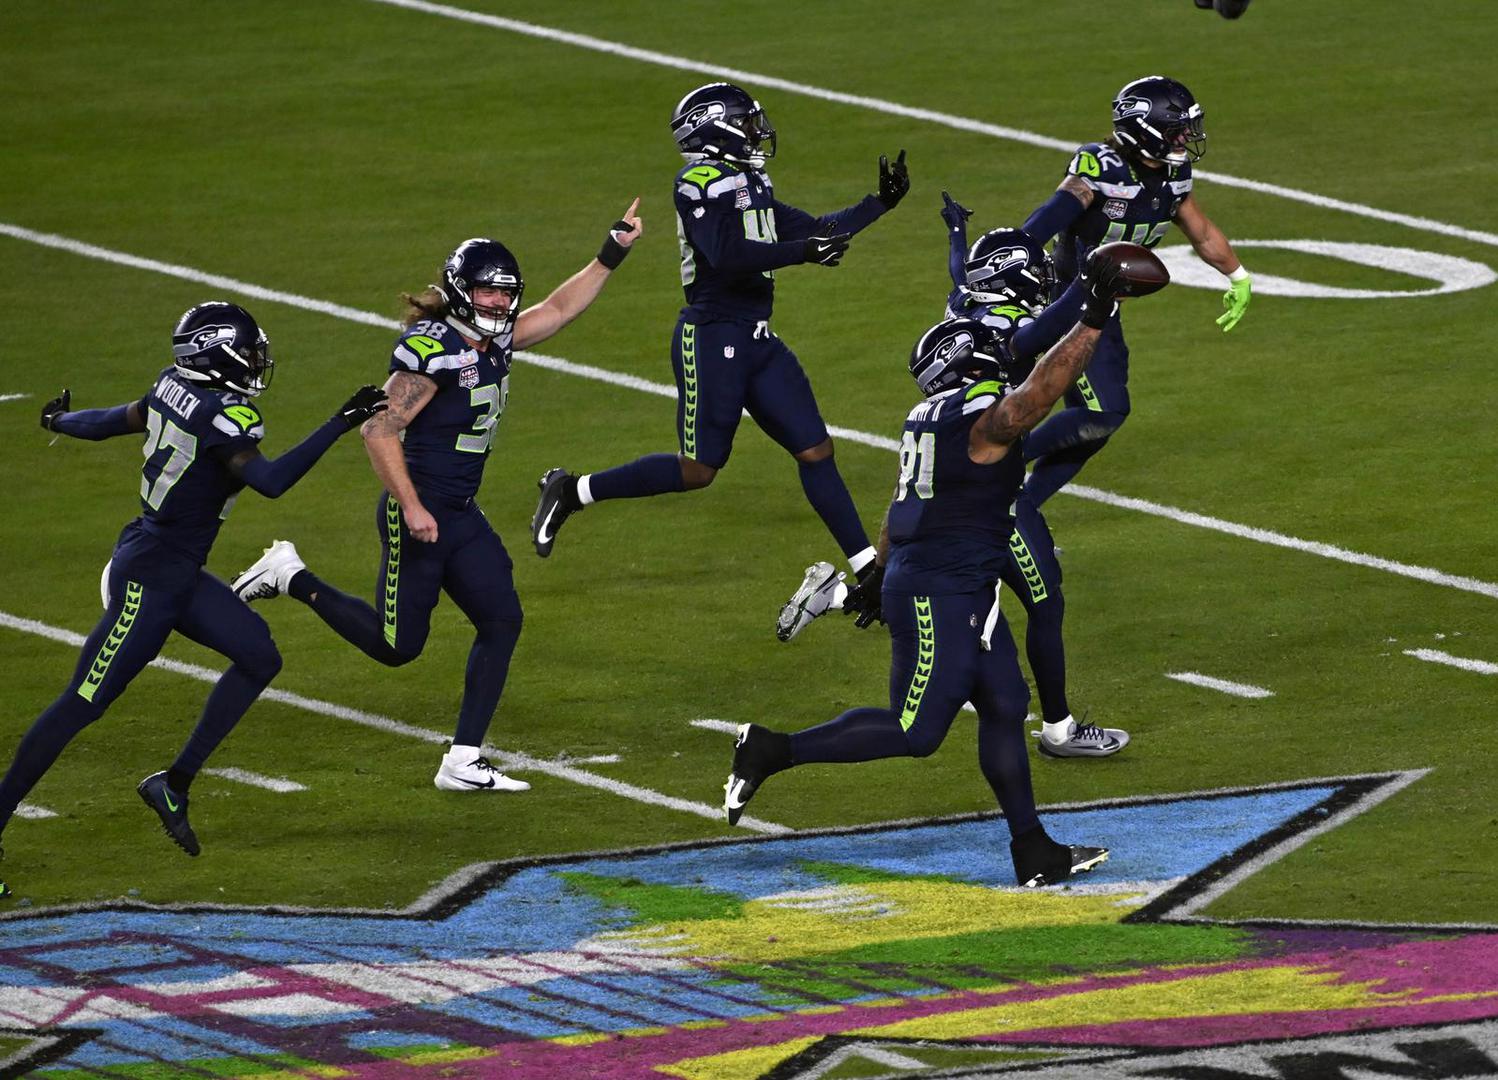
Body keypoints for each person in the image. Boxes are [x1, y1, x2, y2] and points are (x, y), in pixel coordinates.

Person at [725, 244, 1155, 887]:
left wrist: (877, 573)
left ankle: (1032, 849)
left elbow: (904, 507)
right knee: (915, 729)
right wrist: (1093, 316)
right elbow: (1032, 401)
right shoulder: (972, 419)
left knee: (1006, 703)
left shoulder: (926, 415)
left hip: (958, 585)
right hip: (941, 592)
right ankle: (771, 748)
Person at [232, 210, 641, 791]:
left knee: (502, 619)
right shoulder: (432, 350)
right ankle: (290, 574)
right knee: (398, 647)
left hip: (459, 510)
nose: (500, 305)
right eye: (487, 292)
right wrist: (413, 506)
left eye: (505, 294)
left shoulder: (494, 338)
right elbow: (378, 431)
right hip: (418, 510)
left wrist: (610, 254)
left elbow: (555, 310)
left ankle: (462, 759)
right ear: (459, 291)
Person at [0, 302, 386, 882]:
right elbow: (273, 482)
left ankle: (173, 784)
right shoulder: (223, 417)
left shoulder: (172, 384)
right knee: (82, 702)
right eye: (248, 352)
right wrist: (341, 421)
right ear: (216, 355)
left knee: (259, 655)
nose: (257, 362)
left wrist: (61, 421)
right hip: (150, 579)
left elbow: (117, 419)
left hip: (174, 570)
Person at [529, 82, 910, 625]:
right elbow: (727, 254)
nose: (758, 130)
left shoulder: (749, 178)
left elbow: (814, 229)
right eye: (748, 121)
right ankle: (573, 490)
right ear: (718, 127)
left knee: (815, 450)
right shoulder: (698, 181)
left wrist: (880, 204)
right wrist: (803, 254)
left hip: (755, 337)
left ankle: (868, 567)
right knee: (700, 468)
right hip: (712, 336)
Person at [777, 200, 1129, 758]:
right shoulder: (1006, 325)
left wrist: (959, 233)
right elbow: (1046, 340)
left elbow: (960, 274)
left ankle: (841, 594)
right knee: (1040, 599)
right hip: (984, 490)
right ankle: (1058, 729)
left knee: (955, 591)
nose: (1041, 281)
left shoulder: (964, 304)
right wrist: (1095, 294)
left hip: (941, 476)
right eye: (1033, 273)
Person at [1018, 75, 1249, 507]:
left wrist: (1237, 275)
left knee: (1101, 422)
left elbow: (1200, 231)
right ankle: (1000, 461)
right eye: (1176, 127)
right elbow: (1046, 220)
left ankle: (1018, 508)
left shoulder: (1175, 173)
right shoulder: (1101, 168)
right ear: (1144, 128)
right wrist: (1013, 258)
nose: (1186, 136)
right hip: (1061, 300)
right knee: (1100, 412)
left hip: (1101, 304)